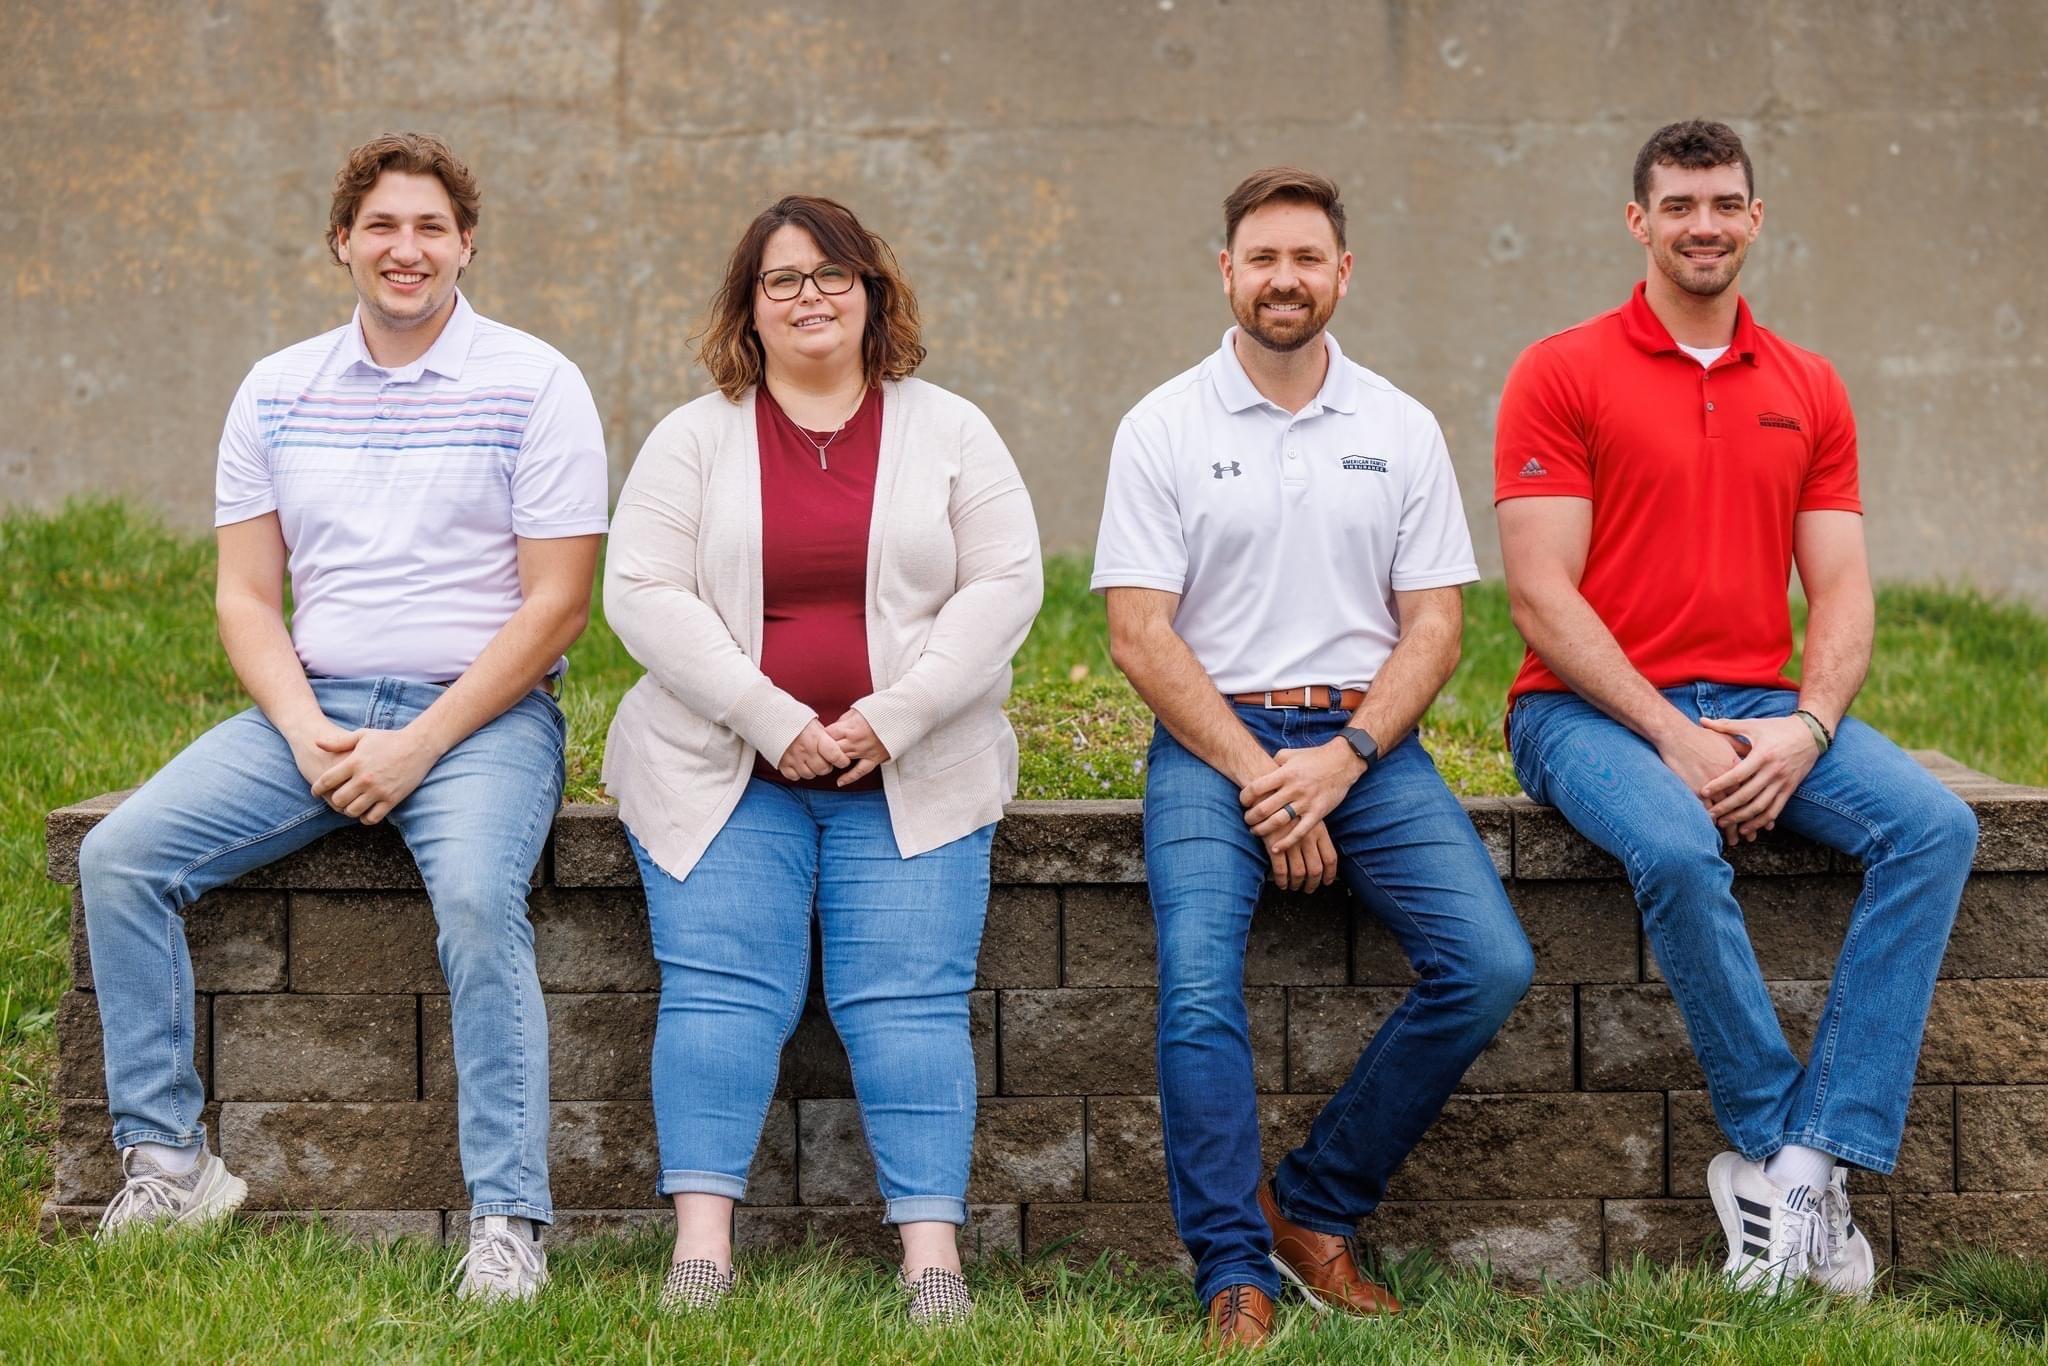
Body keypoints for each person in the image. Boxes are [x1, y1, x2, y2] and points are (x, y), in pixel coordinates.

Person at [77, 133, 608, 1300]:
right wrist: (308, 726)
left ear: (466, 243)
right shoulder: (275, 388)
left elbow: (560, 605)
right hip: (307, 711)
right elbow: (245, 595)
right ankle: (171, 1164)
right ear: (342, 243)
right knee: (119, 858)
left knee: (476, 898)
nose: (404, 249)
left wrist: (418, 743)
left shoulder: (534, 381)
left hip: (482, 720)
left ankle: (508, 1222)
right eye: (381, 226)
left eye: (428, 227)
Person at [1495, 119, 1977, 1296]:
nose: (1700, 225)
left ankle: (1809, 1163)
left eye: (1722, 205)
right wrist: (1671, 736)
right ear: (1637, 222)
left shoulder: (1806, 385)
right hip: (1583, 714)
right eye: (1677, 205)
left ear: (1753, 220)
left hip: (1762, 705)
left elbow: (1844, 591)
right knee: (1671, 837)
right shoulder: (1558, 370)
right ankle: (1771, 1138)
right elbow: (1538, 596)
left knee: (1935, 827)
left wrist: (1802, 729)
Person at [1094, 167, 1533, 1349]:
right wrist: (1261, 778)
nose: (1281, 278)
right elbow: (1138, 633)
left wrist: (1335, 762)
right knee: (1195, 993)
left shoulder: (1396, 426)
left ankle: (1312, 1205)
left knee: (1487, 963)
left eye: (1305, 257)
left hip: (1363, 743)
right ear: (1224, 274)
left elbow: (1436, 626)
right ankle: (1229, 1269)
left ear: (1342, 273)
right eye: (1259, 258)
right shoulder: (1162, 425)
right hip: (1210, 743)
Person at [602, 195, 1042, 1324]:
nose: (810, 297)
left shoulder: (950, 429)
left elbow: (1004, 586)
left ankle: (931, 1262)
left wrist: (891, 717)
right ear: (748, 308)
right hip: (722, 769)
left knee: (907, 1005)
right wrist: (770, 717)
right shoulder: (692, 436)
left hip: (912, 771)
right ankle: (701, 1252)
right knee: (719, 996)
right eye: (783, 280)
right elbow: (639, 592)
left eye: (831, 275)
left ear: (872, 293)